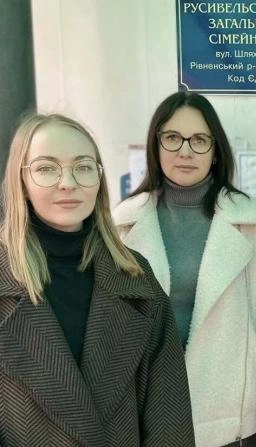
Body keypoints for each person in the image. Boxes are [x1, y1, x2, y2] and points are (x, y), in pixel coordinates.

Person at [0, 113, 194, 446]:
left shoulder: (135, 277)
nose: (68, 182)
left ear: (99, 179)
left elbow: (169, 420)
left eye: (83, 166)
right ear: (22, 183)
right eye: (46, 168)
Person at [113, 92, 256, 447]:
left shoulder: (253, 220)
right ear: (156, 146)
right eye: (173, 138)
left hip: (230, 412)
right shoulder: (121, 223)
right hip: (148, 408)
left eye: (199, 140)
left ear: (215, 150)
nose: (185, 151)